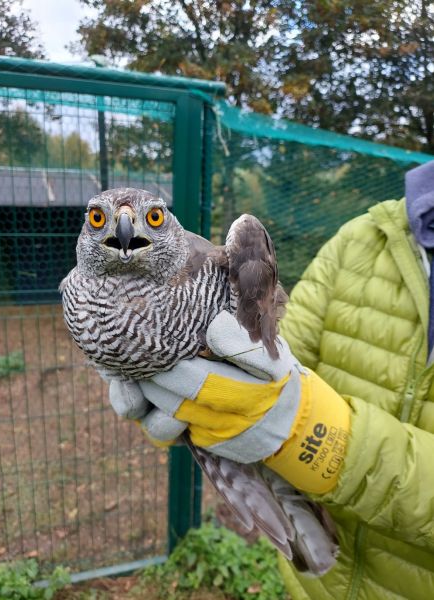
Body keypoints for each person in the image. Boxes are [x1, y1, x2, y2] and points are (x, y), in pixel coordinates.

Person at [108, 160, 434, 599]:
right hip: (316, 588)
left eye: (151, 218)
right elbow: (279, 344)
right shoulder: (365, 237)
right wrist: (204, 389)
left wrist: (323, 439)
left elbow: (293, 406)